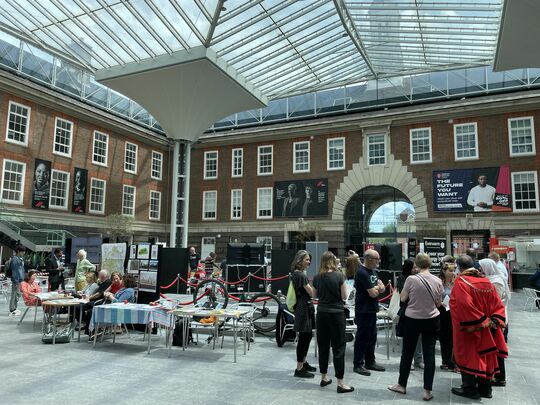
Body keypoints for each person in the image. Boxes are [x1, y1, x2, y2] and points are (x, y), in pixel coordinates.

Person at [450, 255, 507, 400]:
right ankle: (485, 389)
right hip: (487, 328)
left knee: (469, 356)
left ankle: (469, 388)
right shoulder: (486, 281)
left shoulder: (461, 281)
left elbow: (464, 305)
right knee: (485, 356)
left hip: (470, 329)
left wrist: (479, 322)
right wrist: (491, 321)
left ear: (459, 266)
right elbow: (498, 305)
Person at [388, 253, 443, 402]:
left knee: (407, 353)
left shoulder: (411, 279)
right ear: (430, 264)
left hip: (412, 320)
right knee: (429, 354)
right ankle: (427, 391)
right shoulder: (438, 280)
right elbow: (439, 303)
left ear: (416, 265)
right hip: (431, 319)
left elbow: (403, 298)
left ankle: (402, 385)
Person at [312, 251, 354, 393]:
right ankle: (340, 383)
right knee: (338, 347)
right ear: (333, 261)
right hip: (336, 314)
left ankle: (324, 377)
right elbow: (344, 296)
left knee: (323, 346)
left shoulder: (317, 277)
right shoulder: (340, 276)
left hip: (322, 313)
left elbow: (314, 295)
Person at [353, 249, 386, 376]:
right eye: (377, 259)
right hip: (363, 310)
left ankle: (370, 361)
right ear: (369, 259)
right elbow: (372, 293)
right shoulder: (361, 272)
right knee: (362, 338)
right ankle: (358, 364)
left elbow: (381, 288)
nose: (378, 261)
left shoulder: (373, 272)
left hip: (372, 309)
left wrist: (377, 288)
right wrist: (377, 289)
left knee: (372, 336)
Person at [479, 258, 511, 388]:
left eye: (482, 267)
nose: (480, 270)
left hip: (496, 319)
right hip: (494, 318)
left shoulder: (496, 282)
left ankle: (500, 377)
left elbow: (493, 302)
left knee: (497, 347)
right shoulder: (493, 279)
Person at [290, 250, 316, 378]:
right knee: (304, 338)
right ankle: (299, 368)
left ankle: (303, 362)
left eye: (309, 259)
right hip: (303, 308)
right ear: (299, 261)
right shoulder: (301, 275)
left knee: (308, 336)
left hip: (304, 307)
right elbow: (312, 293)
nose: (309, 261)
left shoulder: (297, 274)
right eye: (306, 259)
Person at [396, 258, 424, 370]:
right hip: (407, 310)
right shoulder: (402, 278)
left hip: (418, 309)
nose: (415, 269)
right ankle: (408, 361)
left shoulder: (418, 277)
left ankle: (418, 359)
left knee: (419, 337)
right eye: (413, 267)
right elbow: (404, 296)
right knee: (408, 337)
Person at [438, 255, 457, 371]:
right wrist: (440, 302)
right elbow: (435, 296)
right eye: (450, 270)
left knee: (452, 337)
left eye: (454, 270)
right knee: (443, 337)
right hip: (442, 311)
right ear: (444, 271)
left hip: (453, 312)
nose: (452, 272)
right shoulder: (439, 282)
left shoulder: (456, 282)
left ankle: (452, 361)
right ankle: (445, 360)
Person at [81, 270, 112, 337]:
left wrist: (89, 298)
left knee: (87, 310)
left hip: (100, 302)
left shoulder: (107, 282)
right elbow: (101, 293)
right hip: (98, 301)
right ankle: (87, 326)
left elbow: (98, 294)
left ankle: (90, 330)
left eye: (99, 276)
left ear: (102, 277)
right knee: (83, 307)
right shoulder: (103, 283)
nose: (98, 278)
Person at [8, 245, 26, 317]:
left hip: (19, 280)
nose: (24, 253)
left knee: (17, 294)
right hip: (17, 280)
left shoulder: (19, 259)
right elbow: (15, 271)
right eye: (22, 251)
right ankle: (12, 309)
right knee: (14, 294)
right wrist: (16, 281)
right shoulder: (15, 259)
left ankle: (14, 307)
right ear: (18, 251)